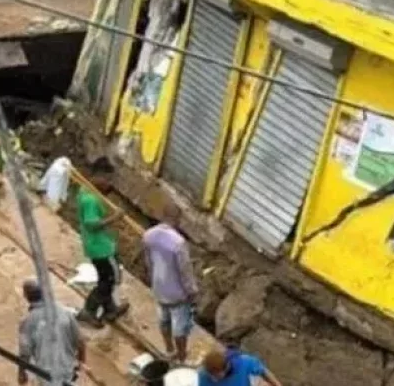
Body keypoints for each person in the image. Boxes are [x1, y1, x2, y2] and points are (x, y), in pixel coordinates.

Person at [76, 157, 130, 328]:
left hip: (96, 245)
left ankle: (110, 309)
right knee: (109, 280)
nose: (109, 184)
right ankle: (89, 310)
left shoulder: (87, 190)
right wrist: (114, 218)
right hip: (101, 248)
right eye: (107, 179)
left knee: (106, 277)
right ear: (98, 176)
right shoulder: (90, 200)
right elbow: (91, 224)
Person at [143, 204, 198, 364]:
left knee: (164, 321)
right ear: (177, 220)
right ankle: (181, 358)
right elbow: (185, 271)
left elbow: (148, 263)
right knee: (180, 329)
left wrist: (153, 280)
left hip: (159, 288)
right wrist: (192, 291)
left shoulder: (148, 235)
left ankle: (169, 350)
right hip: (177, 294)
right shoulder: (178, 243)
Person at [18, 279, 85, 385]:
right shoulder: (65, 313)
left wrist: (21, 373)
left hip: (45, 376)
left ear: (26, 296)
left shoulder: (27, 322)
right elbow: (80, 341)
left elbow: (24, 354)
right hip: (67, 373)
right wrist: (81, 362)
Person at [198, 348, 284, 386]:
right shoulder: (204, 374)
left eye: (216, 375)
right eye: (210, 374)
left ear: (227, 367)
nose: (212, 379)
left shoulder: (245, 362)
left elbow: (263, 371)